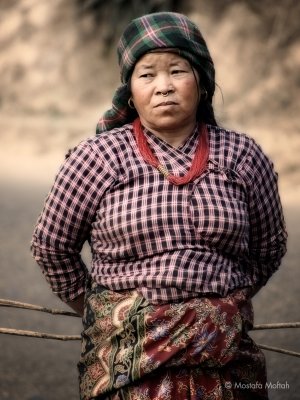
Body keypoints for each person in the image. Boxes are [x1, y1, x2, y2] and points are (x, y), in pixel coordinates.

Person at [31, 11, 287, 400]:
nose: (163, 86)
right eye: (147, 74)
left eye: (177, 71)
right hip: (125, 358)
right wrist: (104, 311)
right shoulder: (96, 158)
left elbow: (269, 248)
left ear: (201, 82)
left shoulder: (242, 156)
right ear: (130, 92)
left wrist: (219, 310)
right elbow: (52, 247)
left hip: (226, 359)